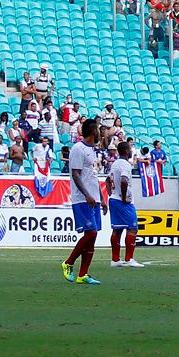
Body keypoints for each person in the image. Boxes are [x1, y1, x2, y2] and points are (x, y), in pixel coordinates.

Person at [62, 118, 103, 284]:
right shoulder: (78, 149)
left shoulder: (91, 150)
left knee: (92, 236)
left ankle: (83, 275)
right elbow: (76, 174)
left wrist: (102, 198)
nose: (100, 133)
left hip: (94, 197)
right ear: (93, 131)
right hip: (83, 198)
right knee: (91, 232)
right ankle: (68, 262)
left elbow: (92, 175)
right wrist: (87, 194)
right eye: (98, 130)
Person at [108, 139, 144, 269]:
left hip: (114, 199)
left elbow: (107, 180)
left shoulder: (115, 164)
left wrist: (111, 193)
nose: (131, 151)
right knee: (132, 228)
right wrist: (123, 197)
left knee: (117, 229)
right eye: (130, 149)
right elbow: (124, 180)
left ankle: (115, 259)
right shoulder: (125, 165)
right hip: (123, 201)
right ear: (126, 151)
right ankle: (129, 259)